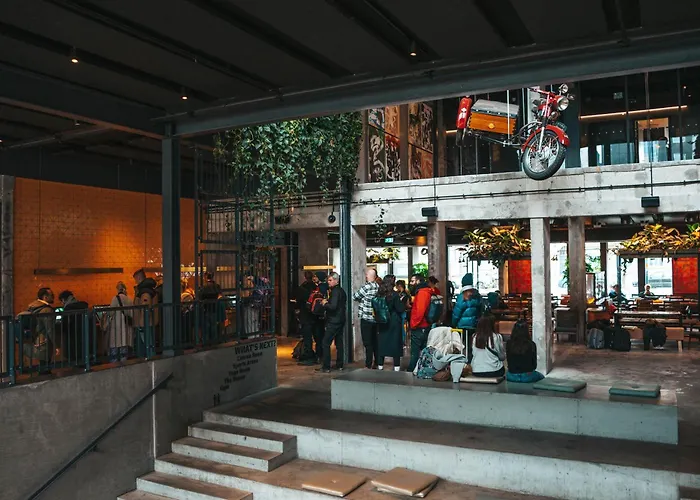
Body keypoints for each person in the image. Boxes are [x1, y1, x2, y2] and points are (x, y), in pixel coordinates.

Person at [18, 288, 56, 371]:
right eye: (52, 295)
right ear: (45, 297)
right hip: (43, 342)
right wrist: (56, 345)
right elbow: (50, 329)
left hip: (34, 341)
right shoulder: (47, 310)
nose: (53, 297)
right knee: (45, 367)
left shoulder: (32, 307)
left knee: (40, 366)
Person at [316, 272, 346, 373]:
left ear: (336, 281)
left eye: (330, 280)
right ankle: (339, 364)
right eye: (328, 280)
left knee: (325, 343)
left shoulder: (335, 292)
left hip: (334, 321)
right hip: (340, 320)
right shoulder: (341, 291)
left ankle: (326, 366)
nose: (328, 282)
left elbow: (333, 307)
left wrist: (325, 303)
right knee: (339, 343)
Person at [376, 275, 405, 371]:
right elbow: (400, 309)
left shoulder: (379, 293)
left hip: (382, 321)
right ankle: (396, 366)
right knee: (395, 343)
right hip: (393, 321)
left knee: (382, 343)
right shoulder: (394, 295)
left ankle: (380, 365)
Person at [353, 268, 380, 369]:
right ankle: (377, 363)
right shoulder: (378, 286)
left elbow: (355, 296)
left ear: (370, 276)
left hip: (366, 318)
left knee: (368, 343)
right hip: (375, 318)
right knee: (375, 342)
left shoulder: (366, 287)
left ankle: (368, 364)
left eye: (367, 274)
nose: (365, 276)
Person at [408, 274, 435, 372]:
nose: (410, 283)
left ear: (418, 281)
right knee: (423, 351)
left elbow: (420, 311)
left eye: (412, 281)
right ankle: (423, 370)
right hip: (425, 325)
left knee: (415, 353)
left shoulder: (422, 293)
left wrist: (413, 325)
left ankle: (411, 371)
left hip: (419, 326)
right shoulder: (426, 291)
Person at [103, 282, 133, 363]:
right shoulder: (129, 299)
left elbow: (111, 313)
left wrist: (105, 314)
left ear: (117, 289)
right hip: (126, 329)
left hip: (117, 329)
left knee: (114, 352)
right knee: (124, 351)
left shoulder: (115, 298)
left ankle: (114, 367)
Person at [58, 290, 90, 366]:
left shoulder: (68, 308)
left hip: (73, 335)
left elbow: (65, 324)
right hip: (85, 334)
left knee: (74, 356)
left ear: (63, 299)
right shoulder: (83, 305)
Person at [133, 268, 160, 356]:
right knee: (148, 350)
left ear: (139, 278)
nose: (135, 282)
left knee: (146, 352)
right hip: (148, 325)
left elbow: (145, 309)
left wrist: (141, 327)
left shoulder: (145, 293)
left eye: (136, 280)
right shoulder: (150, 291)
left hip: (145, 327)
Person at [452, 287, 482, 362]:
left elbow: (456, 315)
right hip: (473, 326)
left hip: (462, 326)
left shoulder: (461, 301)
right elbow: (479, 313)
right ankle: (470, 361)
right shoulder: (476, 300)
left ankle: (459, 360)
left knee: (459, 344)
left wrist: (453, 324)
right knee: (470, 345)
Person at [296, 271, 320, 365]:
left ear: (305, 277)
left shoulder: (302, 288)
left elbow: (298, 302)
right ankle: (319, 355)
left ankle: (309, 356)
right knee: (317, 337)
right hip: (315, 315)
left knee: (307, 338)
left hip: (305, 316)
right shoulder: (316, 287)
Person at [198, 273, 223, 344]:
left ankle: (206, 342)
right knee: (213, 327)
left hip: (205, 309)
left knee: (205, 328)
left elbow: (199, 297)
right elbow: (220, 295)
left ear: (206, 277)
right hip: (214, 309)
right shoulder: (217, 286)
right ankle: (213, 342)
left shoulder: (204, 287)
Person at [396, 279, 411, 344]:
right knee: (402, 327)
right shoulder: (406, 294)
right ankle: (403, 341)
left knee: (401, 327)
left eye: (396, 286)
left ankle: (402, 340)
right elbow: (408, 304)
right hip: (404, 312)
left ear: (399, 286)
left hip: (400, 312)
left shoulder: (399, 294)